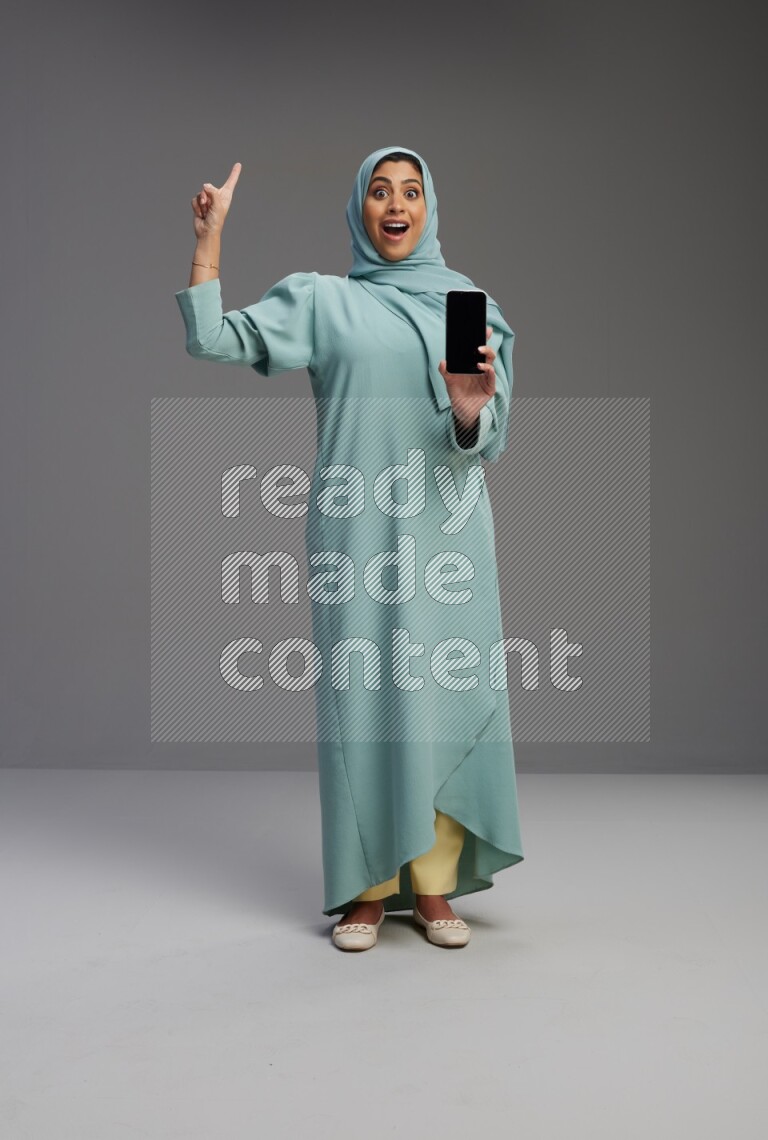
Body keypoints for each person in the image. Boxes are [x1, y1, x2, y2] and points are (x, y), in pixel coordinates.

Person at [175, 145, 524, 951]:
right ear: (359, 210)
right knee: (363, 709)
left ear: (429, 208)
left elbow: (482, 442)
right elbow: (216, 340)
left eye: (410, 190)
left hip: (447, 534)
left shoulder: (464, 305)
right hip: (355, 529)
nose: (395, 204)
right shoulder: (324, 303)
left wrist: (470, 410)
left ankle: (433, 888)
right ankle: (366, 888)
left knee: (438, 701)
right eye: (379, 191)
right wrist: (209, 243)